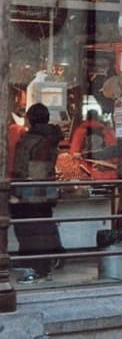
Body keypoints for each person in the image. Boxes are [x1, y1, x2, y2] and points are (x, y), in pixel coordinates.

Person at [10, 102, 64, 282]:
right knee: (41, 227)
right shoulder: (48, 138)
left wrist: (19, 190)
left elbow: (33, 169)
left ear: (30, 118)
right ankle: (43, 263)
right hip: (43, 189)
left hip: (31, 191)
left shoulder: (34, 140)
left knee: (31, 230)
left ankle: (37, 268)